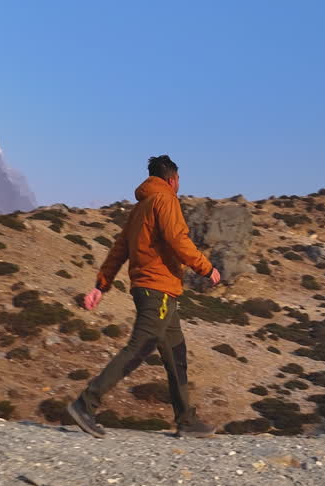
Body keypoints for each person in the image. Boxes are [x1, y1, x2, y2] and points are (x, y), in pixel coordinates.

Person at [68, 155, 221, 439]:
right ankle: (85, 404)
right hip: (158, 290)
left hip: (150, 290)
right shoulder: (166, 200)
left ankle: (186, 420)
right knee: (139, 347)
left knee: (176, 356)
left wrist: (101, 286)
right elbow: (178, 239)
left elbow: (118, 250)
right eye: (177, 181)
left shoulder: (140, 209)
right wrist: (206, 267)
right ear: (172, 180)